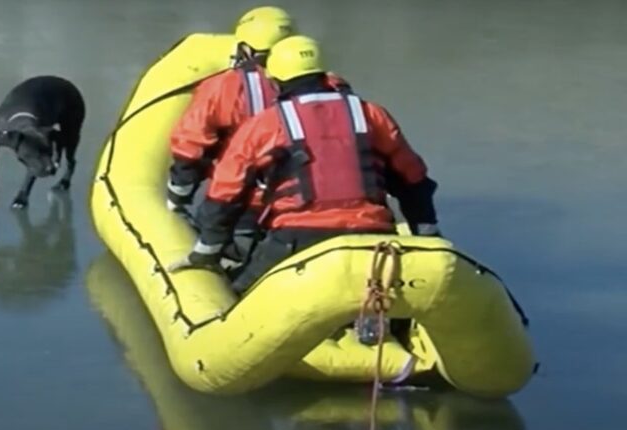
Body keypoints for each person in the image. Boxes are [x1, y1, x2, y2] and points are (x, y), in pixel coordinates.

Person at [169, 35, 442, 295]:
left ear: (275, 81)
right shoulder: (370, 113)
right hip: (372, 237)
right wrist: (427, 234)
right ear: (325, 74)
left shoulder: (266, 125)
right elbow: (412, 178)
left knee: (240, 292)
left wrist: (208, 249)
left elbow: (226, 192)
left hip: (297, 240)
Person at [166, 6, 295, 233]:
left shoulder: (225, 87)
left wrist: (177, 201)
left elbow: (191, 145)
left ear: (245, 48)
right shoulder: (333, 87)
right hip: (312, 202)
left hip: (248, 206)